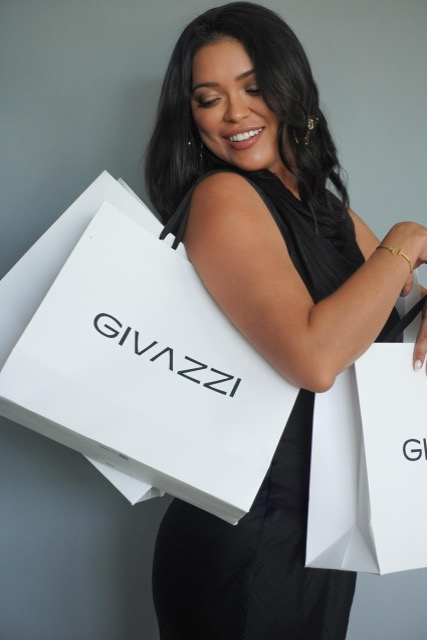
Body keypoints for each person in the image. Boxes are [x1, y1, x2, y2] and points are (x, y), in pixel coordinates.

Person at [145, 3, 427, 638]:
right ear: (191, 119)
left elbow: (390, 322)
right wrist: (409, 237)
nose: (235, 113)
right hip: (249, 534)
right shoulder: (222, 197)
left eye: (252, 87)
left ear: (290, 90)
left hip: (323, 530)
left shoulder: (326, 209)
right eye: (208, 98)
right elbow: (315, 359)